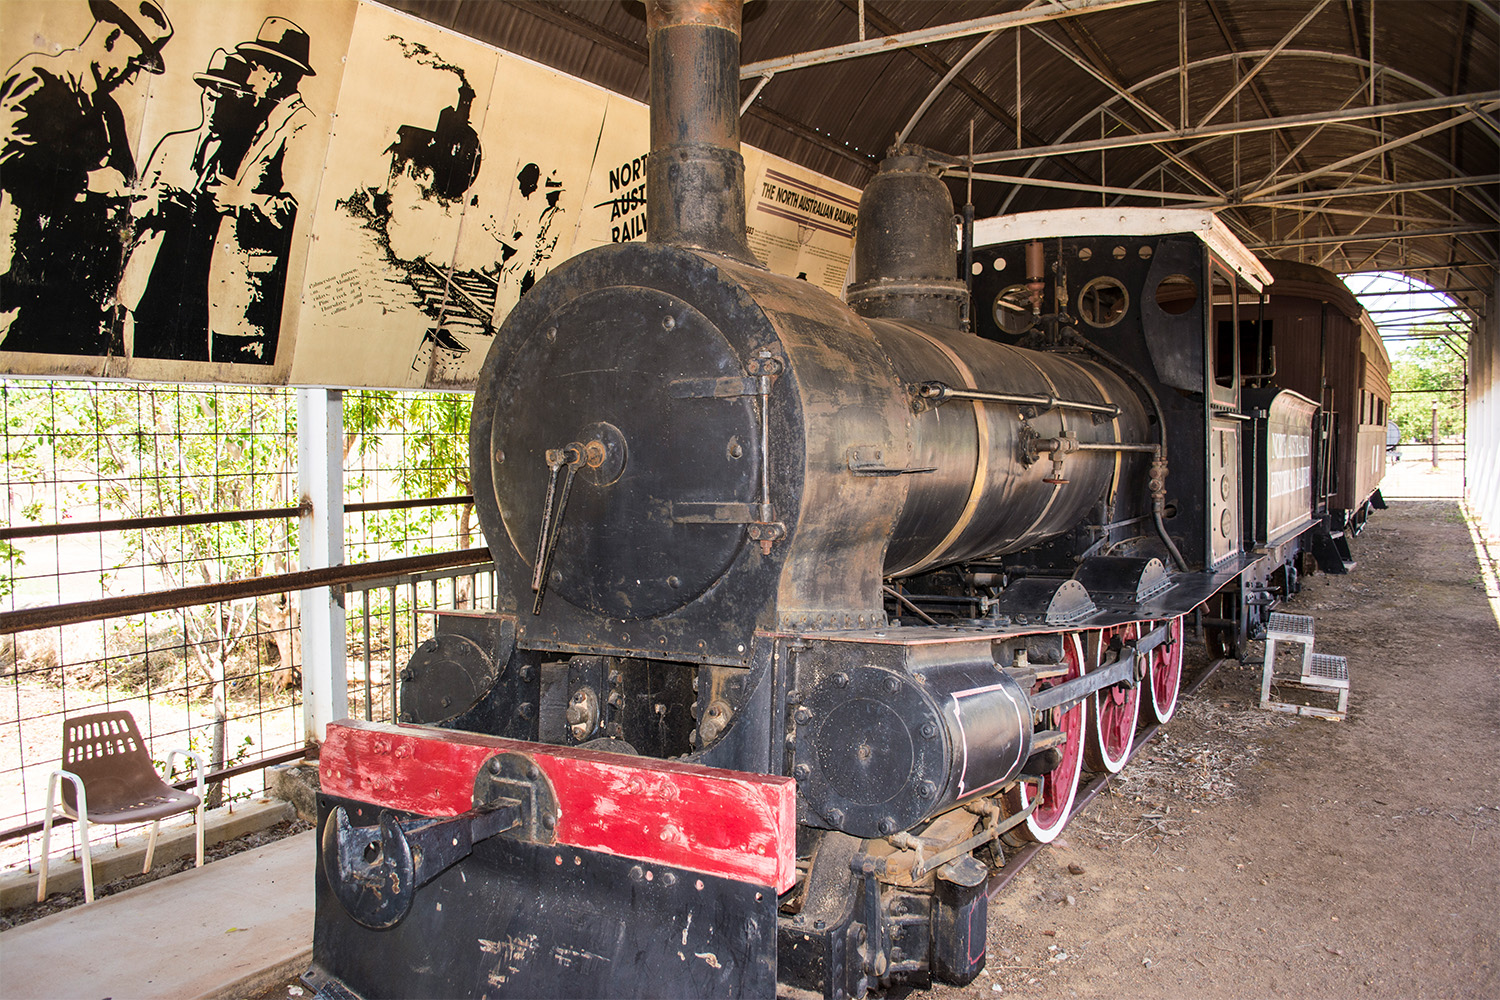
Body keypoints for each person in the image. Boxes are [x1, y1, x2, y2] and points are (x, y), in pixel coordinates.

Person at [0, 0, 173, 355]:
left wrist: (141, 197)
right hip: (26, 280)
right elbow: (8, 159)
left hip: (84, 294)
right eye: (132, 63)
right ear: (111, 38)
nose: (132, 76)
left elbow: (127, 180)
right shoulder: (37, 80)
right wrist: (85, 182)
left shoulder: (108, 111)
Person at [122, 48, 259, 361]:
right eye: (209, 96)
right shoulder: (173, 144)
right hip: (155, 279)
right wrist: (159, 201)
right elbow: (135, 207)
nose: (212, 105)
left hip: (202, 287)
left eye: (223, 98)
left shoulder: (242, 160)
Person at [206, 16, 315, 365]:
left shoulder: (300, 124)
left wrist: (239, 199)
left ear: (277, 74)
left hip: (252, 295)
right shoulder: (271, 120)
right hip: (235, 289)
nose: (249, 78)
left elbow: (295, 206)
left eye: (256, 69)